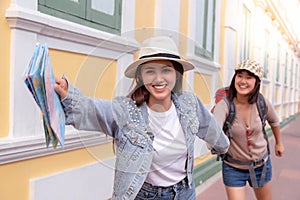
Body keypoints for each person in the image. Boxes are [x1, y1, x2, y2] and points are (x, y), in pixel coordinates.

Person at [54, 36, 229, 200]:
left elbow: (211, 129)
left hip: (185, 192)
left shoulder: (190, 104)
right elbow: (90, 110)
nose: (159, 79)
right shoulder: (126, 110)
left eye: (166, 70)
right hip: (144, 194)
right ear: (141, 77)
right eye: (150, 71)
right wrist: (67, 93)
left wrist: (225, 148)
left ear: (176, 74)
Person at [212, 60, 285, 200]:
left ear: (256, 82)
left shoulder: (261, 102)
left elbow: (274, 120)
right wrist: (214, 141)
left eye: (249, 77)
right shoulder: (225, 105)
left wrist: (279, 143)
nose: (243, 81)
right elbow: (214, 131)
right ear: (235, 78)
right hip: (233, 167)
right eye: (240, 75)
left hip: (261, 165)